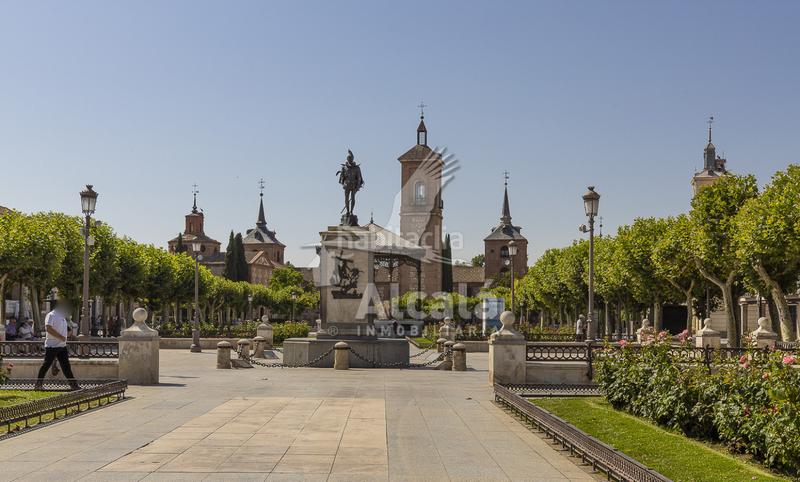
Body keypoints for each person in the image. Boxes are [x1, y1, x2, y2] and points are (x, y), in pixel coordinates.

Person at [35, 299, 79, 390]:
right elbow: (48, 328)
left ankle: (74, 386)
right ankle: (38, 385)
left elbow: (66, 329)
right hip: (52, 346)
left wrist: (68, 333)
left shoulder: (63, 316)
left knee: (66, 367)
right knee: (46, 365)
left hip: (62, 346)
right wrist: (60, 337)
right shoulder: (51, 315)